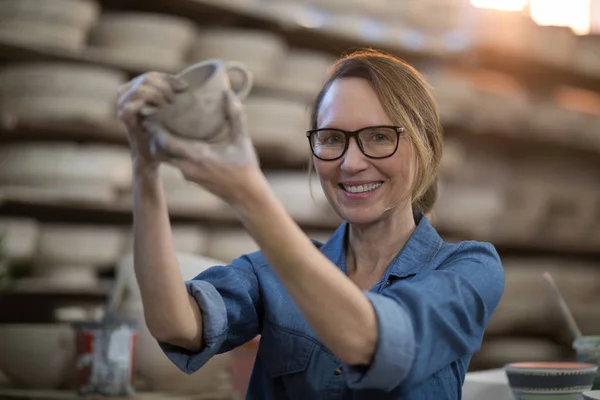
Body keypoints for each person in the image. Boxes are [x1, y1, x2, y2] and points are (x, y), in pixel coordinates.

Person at [116, 49, 505, 399]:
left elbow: (370, 342)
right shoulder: (270, 274)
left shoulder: (468, 270)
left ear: (427, 148)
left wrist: (249, 194)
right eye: (333, 139)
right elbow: (174, 324)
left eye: (380, 136)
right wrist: (145, 167)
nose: (351, 163)